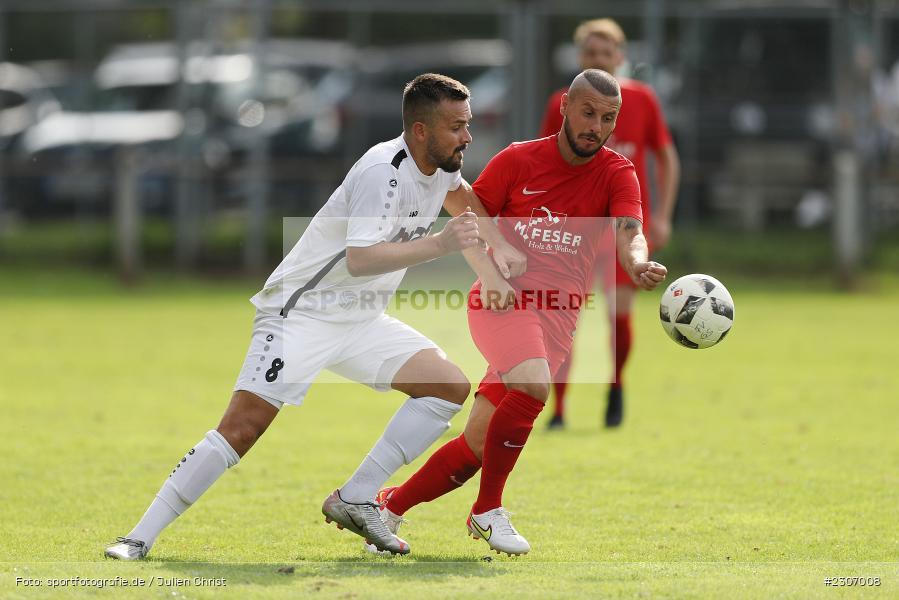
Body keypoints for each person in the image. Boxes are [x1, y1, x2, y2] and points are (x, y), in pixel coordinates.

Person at [104, 73, 526, 560]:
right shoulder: (381, 172)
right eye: (457, 127)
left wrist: (497, 256)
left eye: (467, 125)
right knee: (242, 428)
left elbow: (462, 205)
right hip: (301, 312)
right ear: (420, 131)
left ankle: (355, 498)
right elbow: (360, 258)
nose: (468, 137)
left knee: (447, 387)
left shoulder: (443, 168)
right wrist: (440, 245)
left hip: (360, 320)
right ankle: (138, 536)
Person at [365, 69, 668, 557]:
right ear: (565, 105)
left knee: (477, 448)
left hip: (558, 319)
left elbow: (630, 228)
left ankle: (387, 507)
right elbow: (466, 216)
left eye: (608, 118)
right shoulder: (518, 159)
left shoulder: (617, 171)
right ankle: (487, 512)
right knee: (533, 386)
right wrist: (490, 274)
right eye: (588, 113)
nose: (596, 126)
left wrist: (636, 261)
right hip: (501, 302)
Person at [539, 18, 680, 429]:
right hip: (574, 230)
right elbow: (546, 163)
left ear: (620, 57)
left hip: (624, 228)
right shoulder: (561, 103)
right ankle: (559, 408)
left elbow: (666, 157)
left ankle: (615, 388)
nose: (598, 59)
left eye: (606, 53)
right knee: (565, 317)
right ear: (580, 58)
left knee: (618, 314)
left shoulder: (643, 100)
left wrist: (664, 216)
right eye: (590, 53)